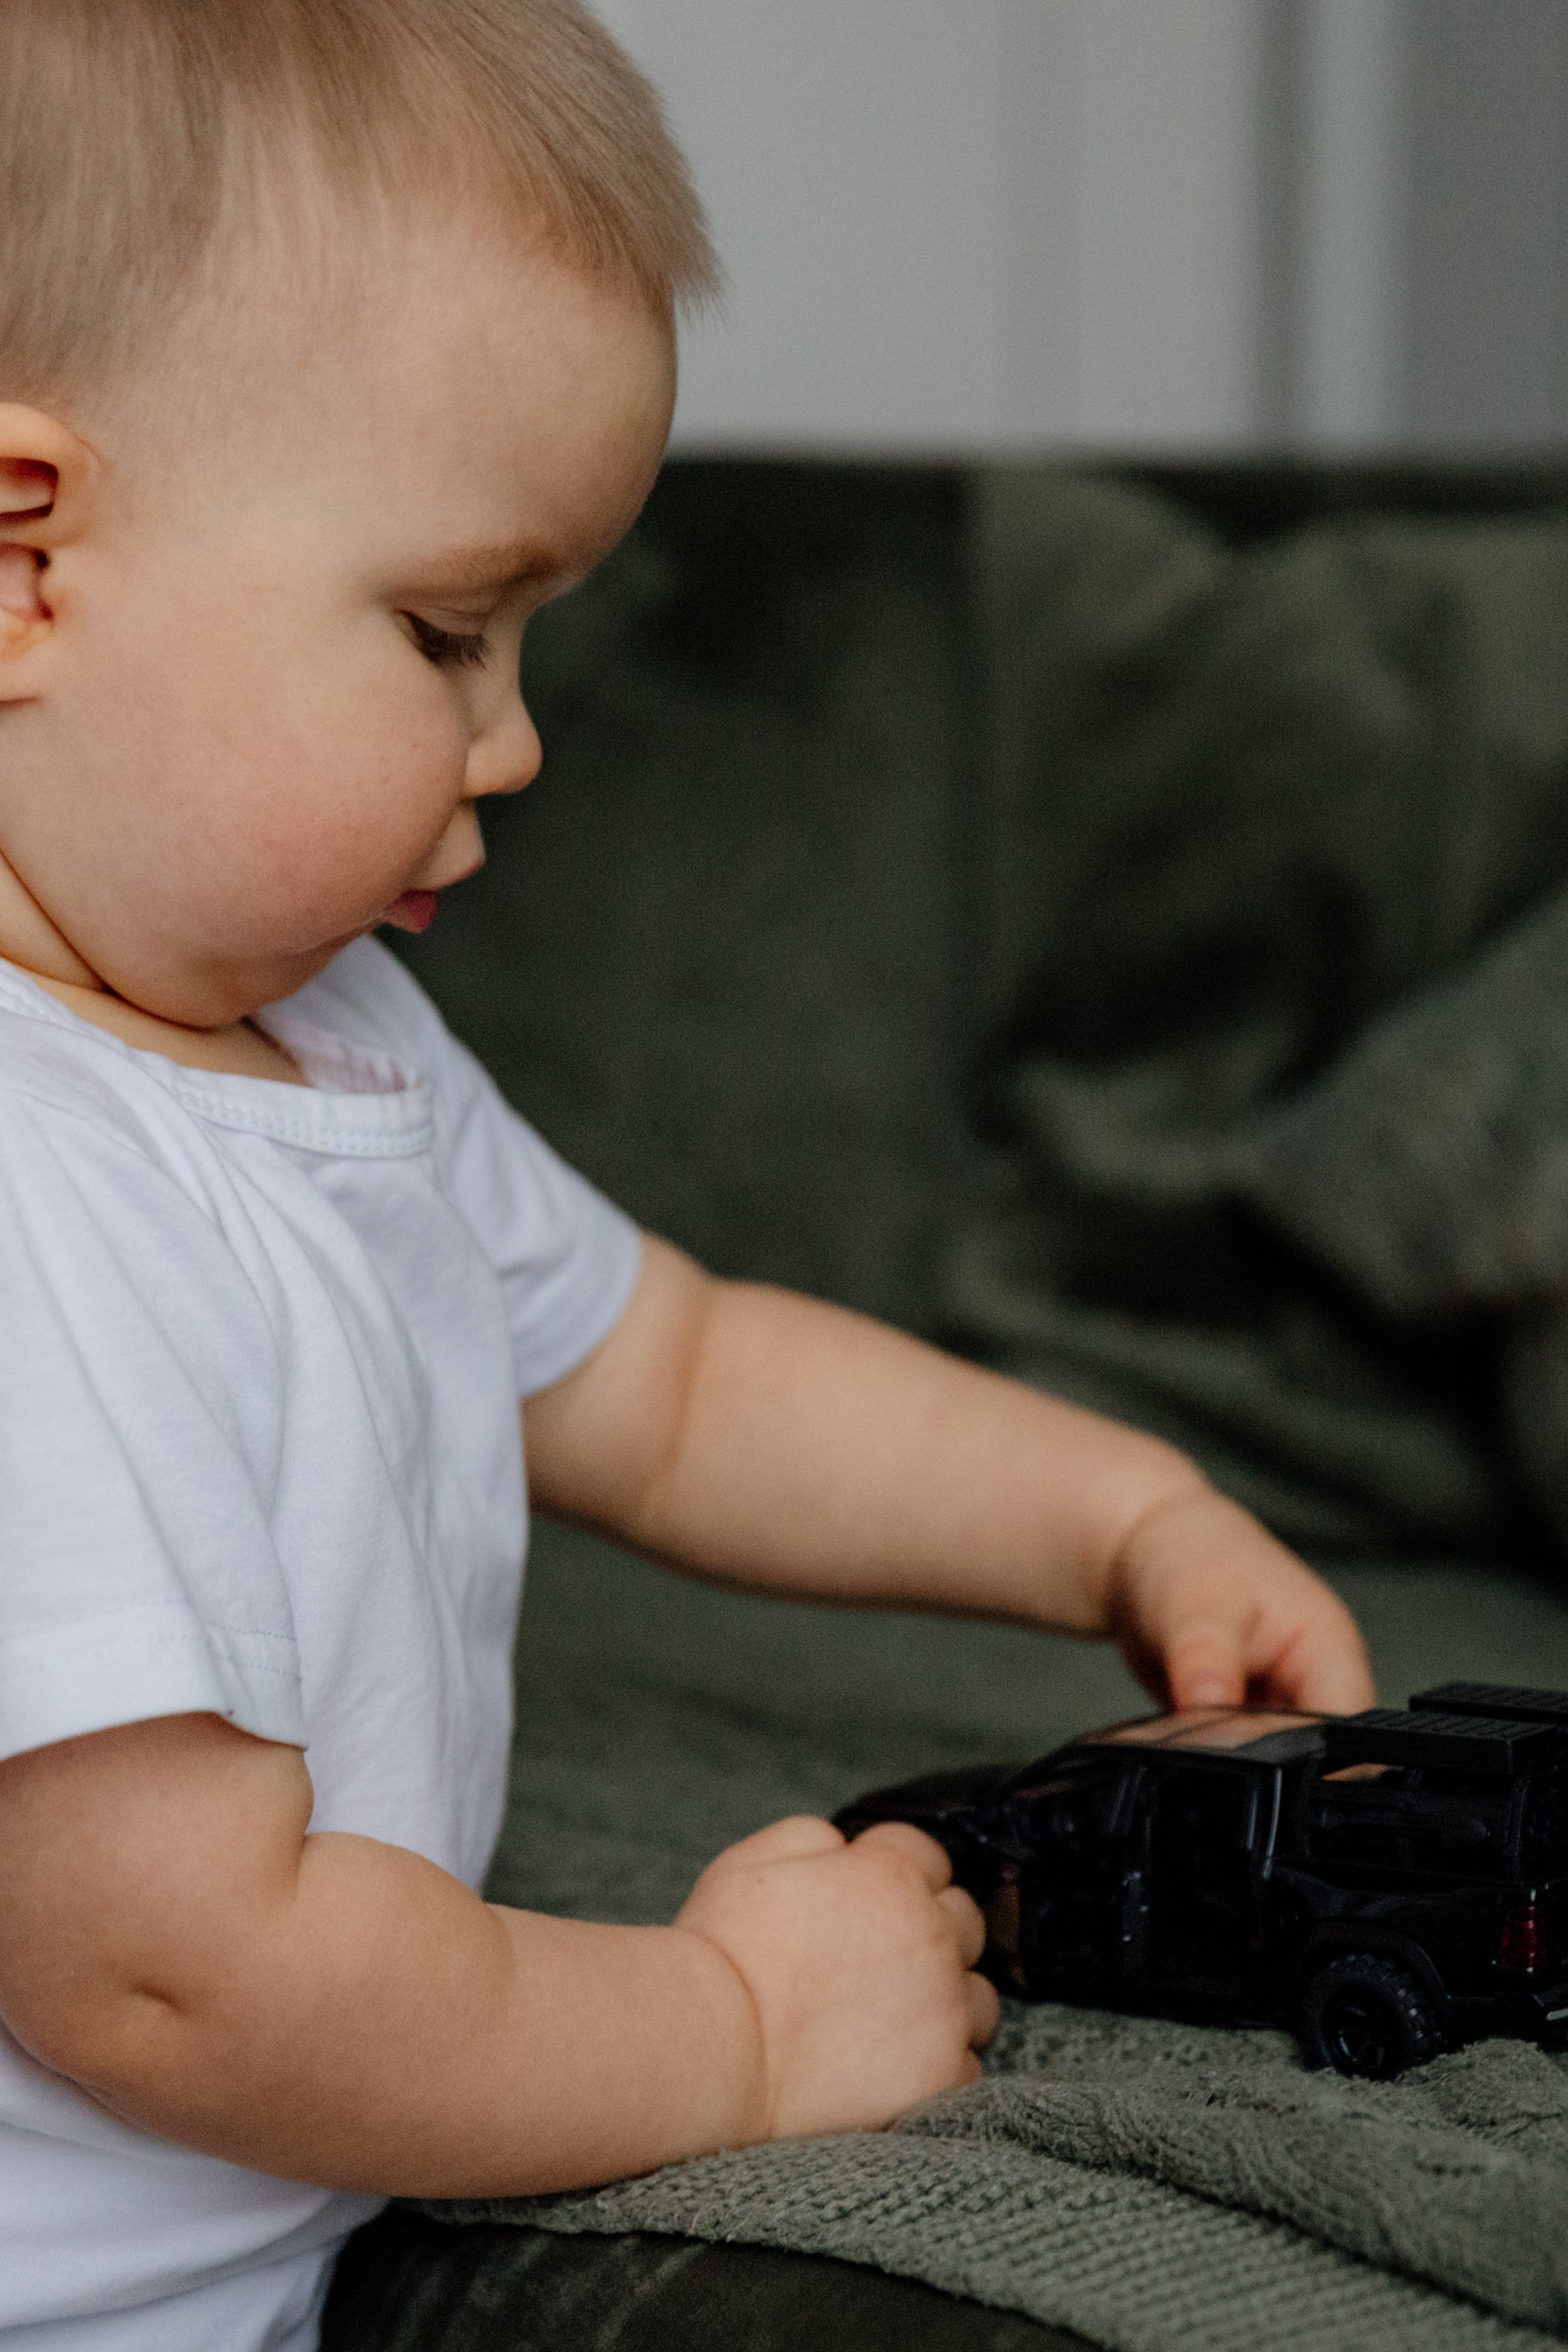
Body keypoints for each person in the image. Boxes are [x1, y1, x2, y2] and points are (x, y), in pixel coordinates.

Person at [0, 3, 1375, 2344]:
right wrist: (728, 2029)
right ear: (24, 562)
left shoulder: (327, 1044)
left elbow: (686, 1377)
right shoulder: (41, 1195)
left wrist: (1118, 1517)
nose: (514, 739)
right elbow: (175, 1982)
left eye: (533, 643)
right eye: (445, 632)